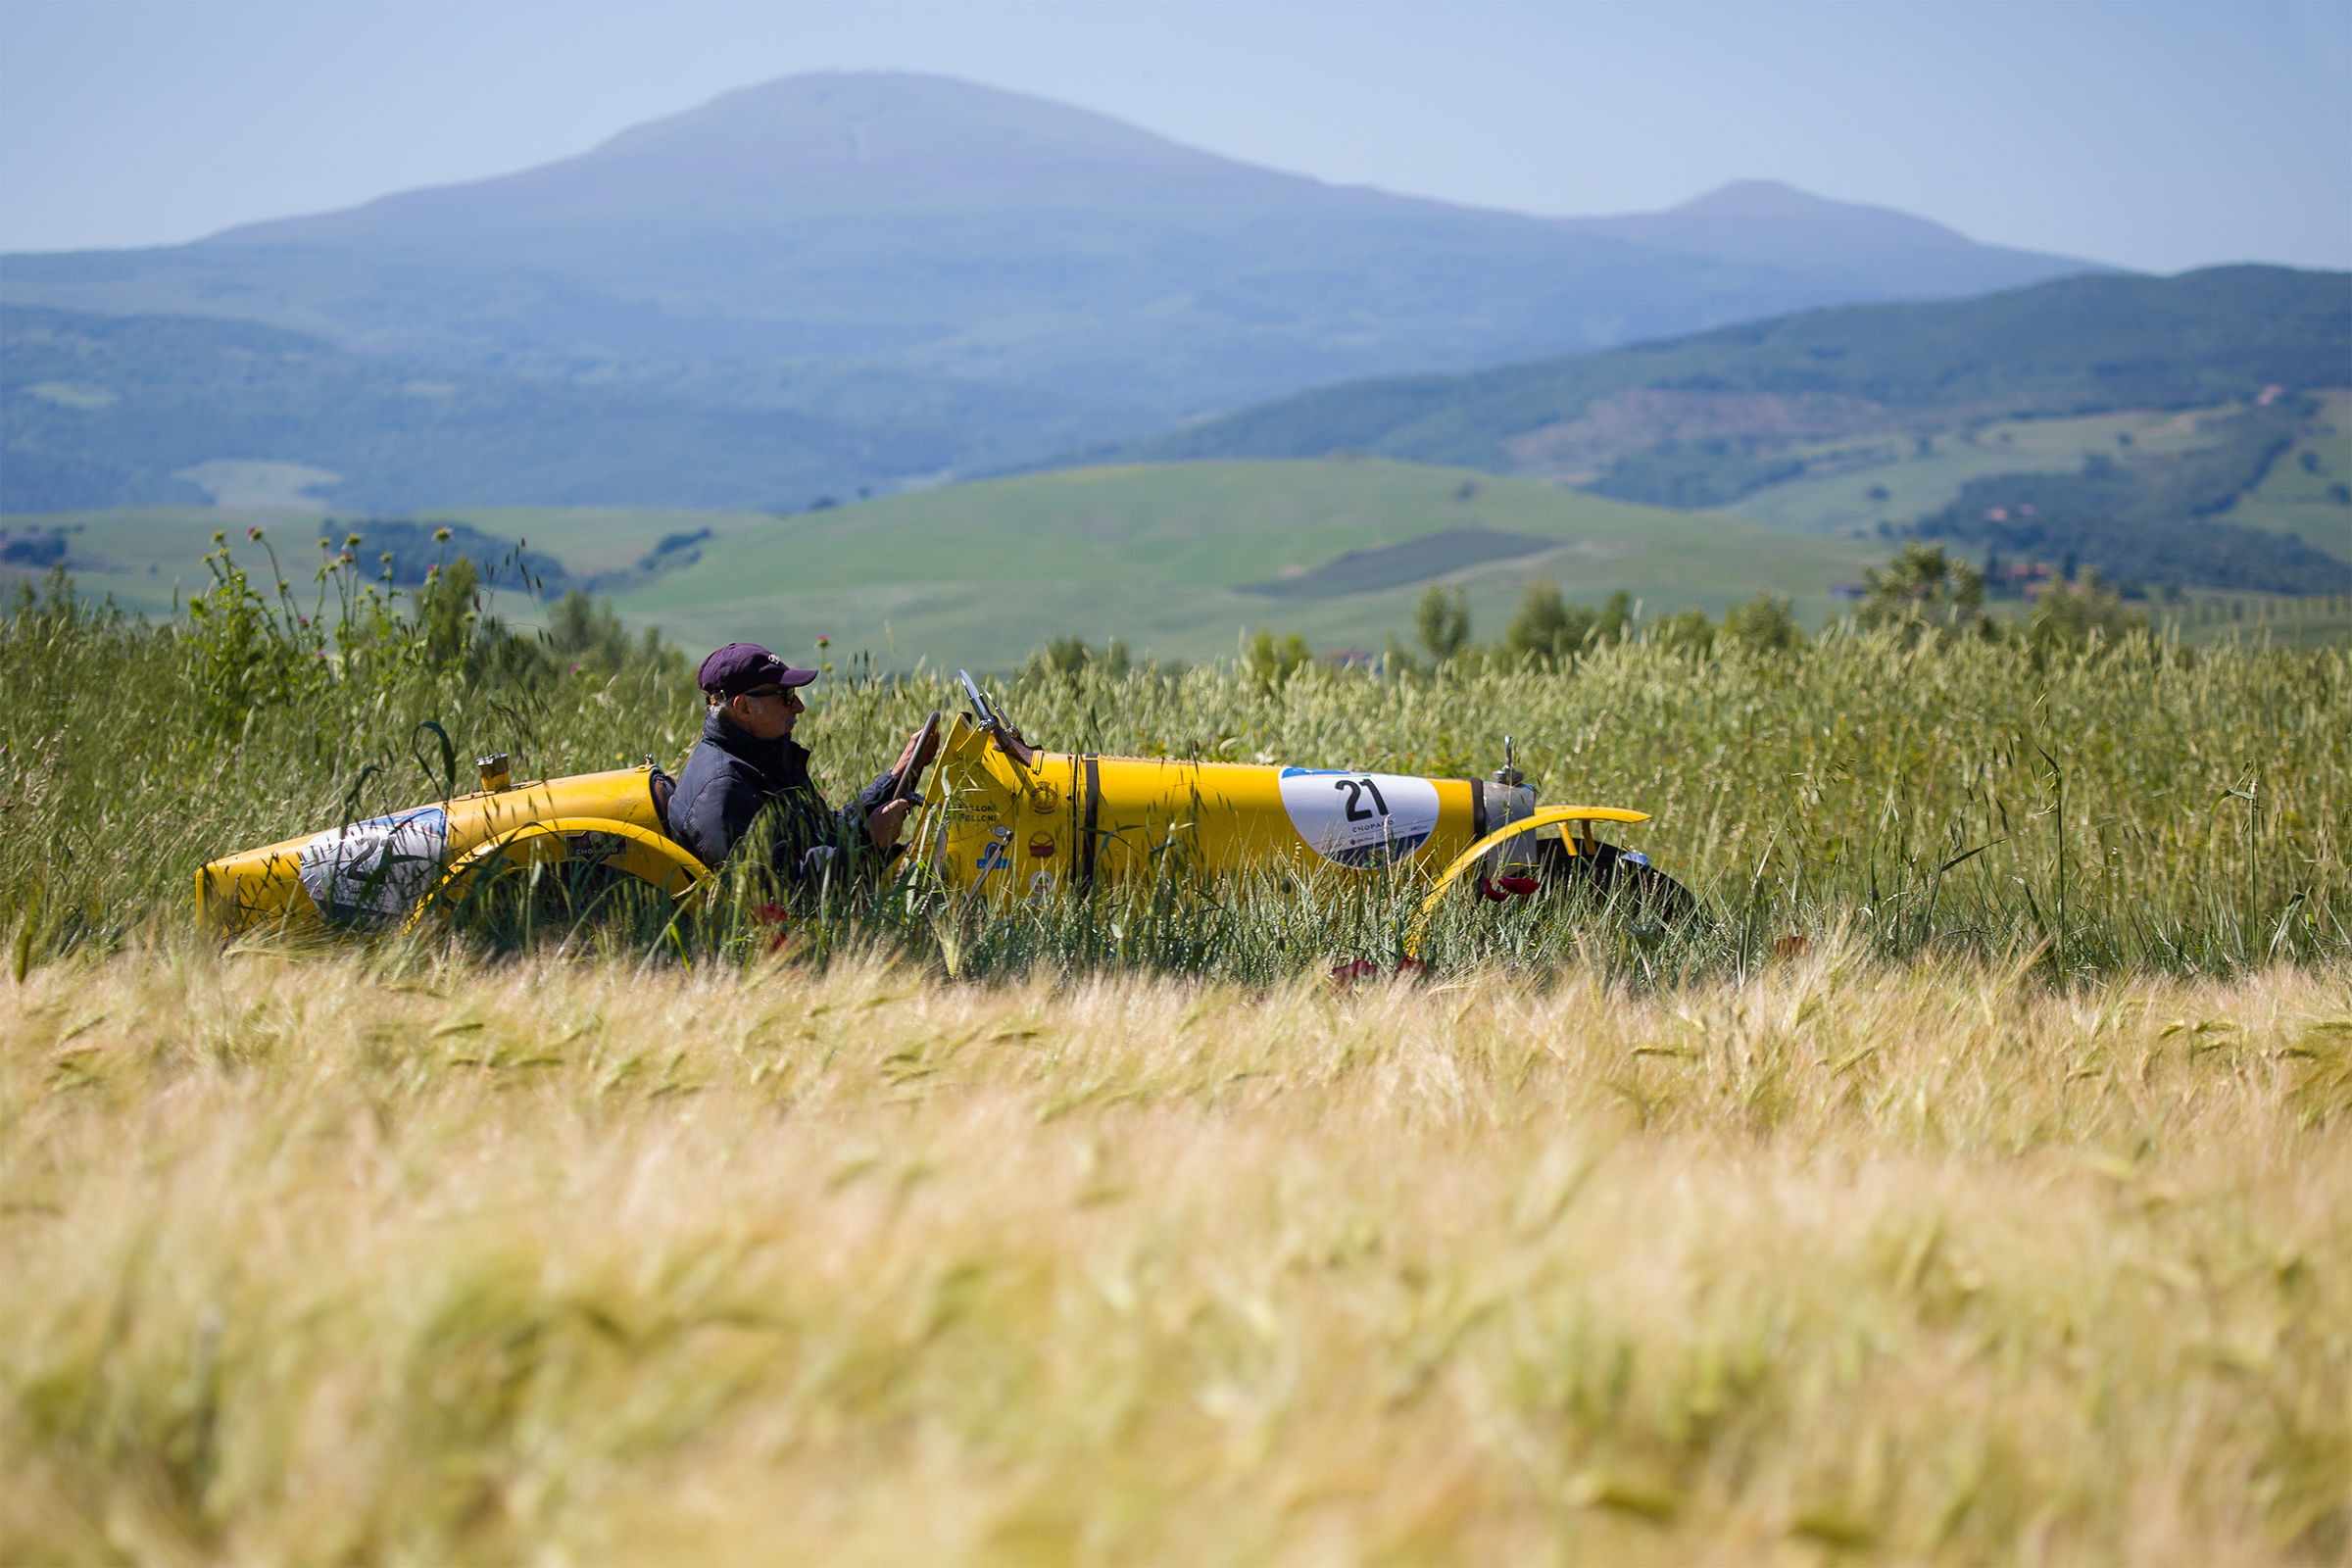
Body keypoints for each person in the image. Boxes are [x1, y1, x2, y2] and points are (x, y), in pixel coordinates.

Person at [665, 642, 939, 890]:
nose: (798, 706)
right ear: (744, 708)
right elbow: (777, 892)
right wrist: (866, 845)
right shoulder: (722, 792)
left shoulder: (762, 758)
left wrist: (899, 774)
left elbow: (826, 831)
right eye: (785, 696)